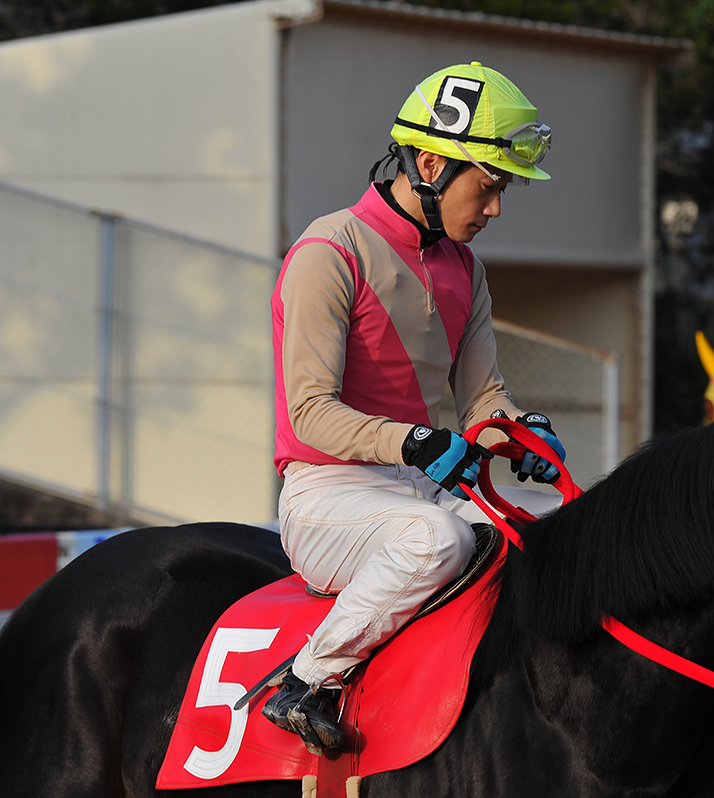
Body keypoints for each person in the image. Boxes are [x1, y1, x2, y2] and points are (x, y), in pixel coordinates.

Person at [266, 62, 565, 754]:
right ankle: (304, 682)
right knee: (438, 541)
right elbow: (309, 413)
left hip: (422, 488)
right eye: (487, 187)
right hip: (327, 498)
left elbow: (483, 400)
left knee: (557, 537)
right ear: (430, 162)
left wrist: (520, 433)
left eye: (502, 190)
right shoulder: (328, 250)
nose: (494, 209)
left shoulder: (467, 268)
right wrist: (419, 443)